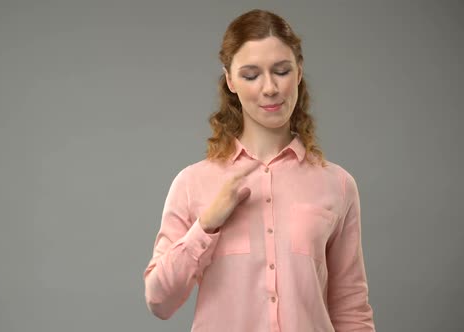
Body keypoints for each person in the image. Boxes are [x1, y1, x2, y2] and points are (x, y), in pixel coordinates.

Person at [143, 9, 376, 332]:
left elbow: (351, 309)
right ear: (230, 80)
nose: (270, 88)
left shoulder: (337, 185)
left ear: (299, 71)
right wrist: (206, 225)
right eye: (251, 75)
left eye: (281, 70)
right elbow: (159, 301)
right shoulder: (191, 183)